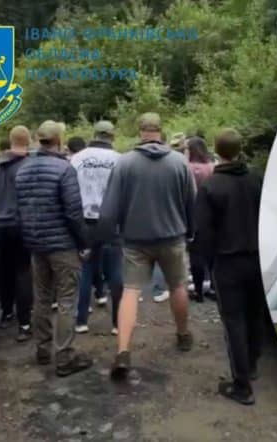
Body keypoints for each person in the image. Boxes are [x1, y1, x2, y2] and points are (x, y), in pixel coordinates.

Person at [98, 112, 197, 380]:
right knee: (177, 286)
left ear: (140, 131)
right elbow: (191, 202)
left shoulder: (125, 163)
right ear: (160, 131)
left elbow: (109, 209)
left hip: (134, 240)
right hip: (172, 236)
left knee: (130, 291)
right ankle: (183, 334)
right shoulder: (179, 162)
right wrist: (191, 232)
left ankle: (123, 351)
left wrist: (112, 232)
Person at [15, 120, 92, 377]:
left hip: (36, 246)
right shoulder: (64, 169)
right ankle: (65, 357)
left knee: (42, 298)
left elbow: (21, 210)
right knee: (68, 299)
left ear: (39, 140)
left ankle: (42, 349)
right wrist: (83, 242)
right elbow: (73, 212)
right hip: (62, 245)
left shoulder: (23, 169)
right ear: (59, 140)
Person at [193, 128, 264, 405]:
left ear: (216, 150)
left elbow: (203, 233)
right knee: (255, 314)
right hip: (259, 259)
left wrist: (206, 263)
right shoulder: (258, 180)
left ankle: (242, 385)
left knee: (233, 321)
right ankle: (254, 365)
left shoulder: (211, 187)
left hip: (228, 262)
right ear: (240, 149)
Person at [0, 126, 34, 342]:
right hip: (23, 225)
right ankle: (24, 323)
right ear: (27, 141)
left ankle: (6, 314)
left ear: (10, 141)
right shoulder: (28, 166)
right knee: (23, 271)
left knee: (3, 269)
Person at [70, 121, 122, 335]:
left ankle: (81, 320)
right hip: (111, 221)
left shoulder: (77, 158)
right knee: (115, 273)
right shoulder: (120, 160)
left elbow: (70, 190)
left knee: (85, 270)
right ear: (111, 136)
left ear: (94, 134)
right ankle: (117, 323)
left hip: (85, 221)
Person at [185, 136, 216, 303]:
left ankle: (198, 291)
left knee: (195, 254)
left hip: (192, 214)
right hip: (210, 213)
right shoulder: (211, 168)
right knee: (211, 254)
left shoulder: (186, 167)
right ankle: (211, 286)